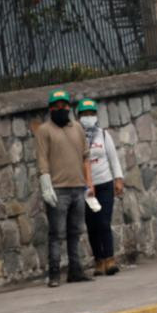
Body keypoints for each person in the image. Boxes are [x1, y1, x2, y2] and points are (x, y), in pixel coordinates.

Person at [34, 88, 94, 287]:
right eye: (57, 105)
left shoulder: (77, 128)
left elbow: (86, 157)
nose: (61, 108)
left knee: (75, 232)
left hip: (78, 187)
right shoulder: (44, 130)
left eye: (64, 105)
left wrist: (89, 184)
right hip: (58, 189)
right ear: (51, 108)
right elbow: (42, 159)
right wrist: (46, 185)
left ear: (69, 106)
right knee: (56, 233)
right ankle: (54, 273)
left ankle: (75, 270)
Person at [77, 98, 124, 276]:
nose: (88, 117)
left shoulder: (103, 135)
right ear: (78, 116)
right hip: (87, 188)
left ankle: (110, 258)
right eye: (84, 114)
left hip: (104, 184)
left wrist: (118, 179)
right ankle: (98, 260)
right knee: (92, 224)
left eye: (91, 114)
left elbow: (113, 158)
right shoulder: (77, 136)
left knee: (104, 221)